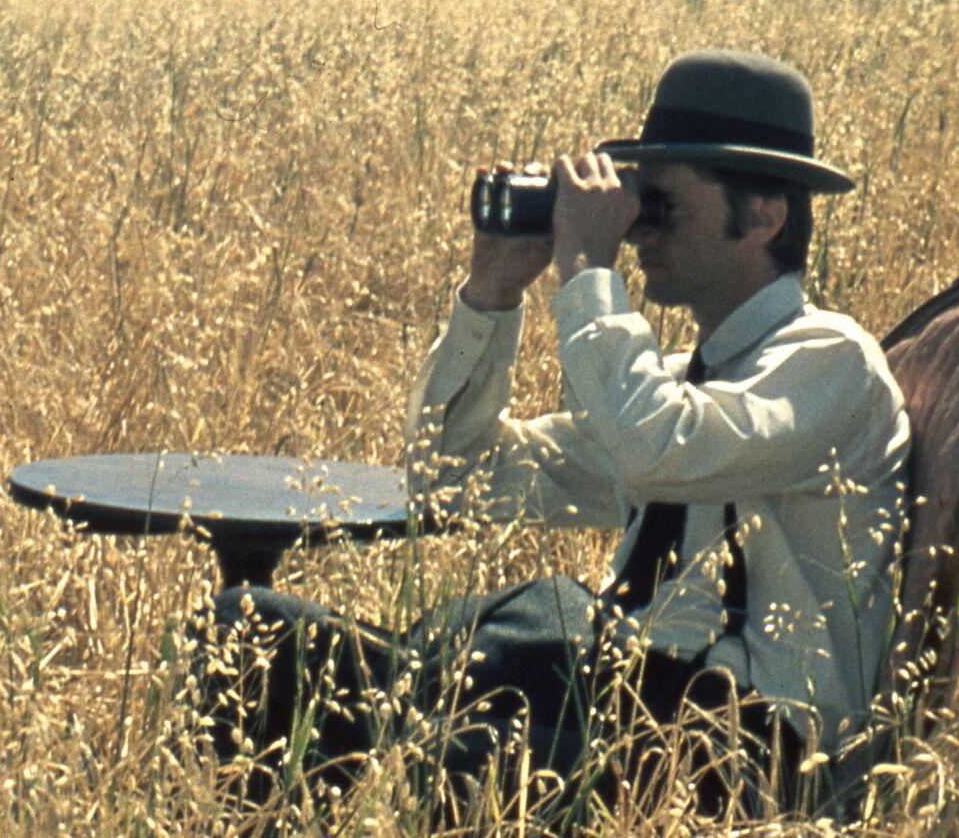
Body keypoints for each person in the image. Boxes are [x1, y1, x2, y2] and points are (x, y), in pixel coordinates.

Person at [204, 49, 910, 817]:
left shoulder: (830, 361)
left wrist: (586, 266)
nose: (641, 233)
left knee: (458, 755)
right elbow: (457, 474)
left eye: (663, 204)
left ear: (766, 213)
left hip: (739, 751)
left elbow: (656, 449)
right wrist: (493, 290)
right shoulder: (682, 380)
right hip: (620, 697)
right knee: (251, 630)